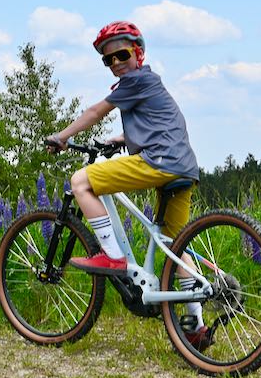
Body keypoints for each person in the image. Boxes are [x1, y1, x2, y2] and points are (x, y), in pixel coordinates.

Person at [45, 20, 210, 349]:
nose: (116, 63)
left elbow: (96, 111)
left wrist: (62, 137)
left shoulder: (135, 81)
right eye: (108, 59)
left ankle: (112, 258)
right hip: (183, 166)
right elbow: (161, 121)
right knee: (174, 246)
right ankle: (196, 327)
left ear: (138, 53)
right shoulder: (149, 83)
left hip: (159, 162)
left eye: (121, 55)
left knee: (80, 181)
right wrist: (123, 138)